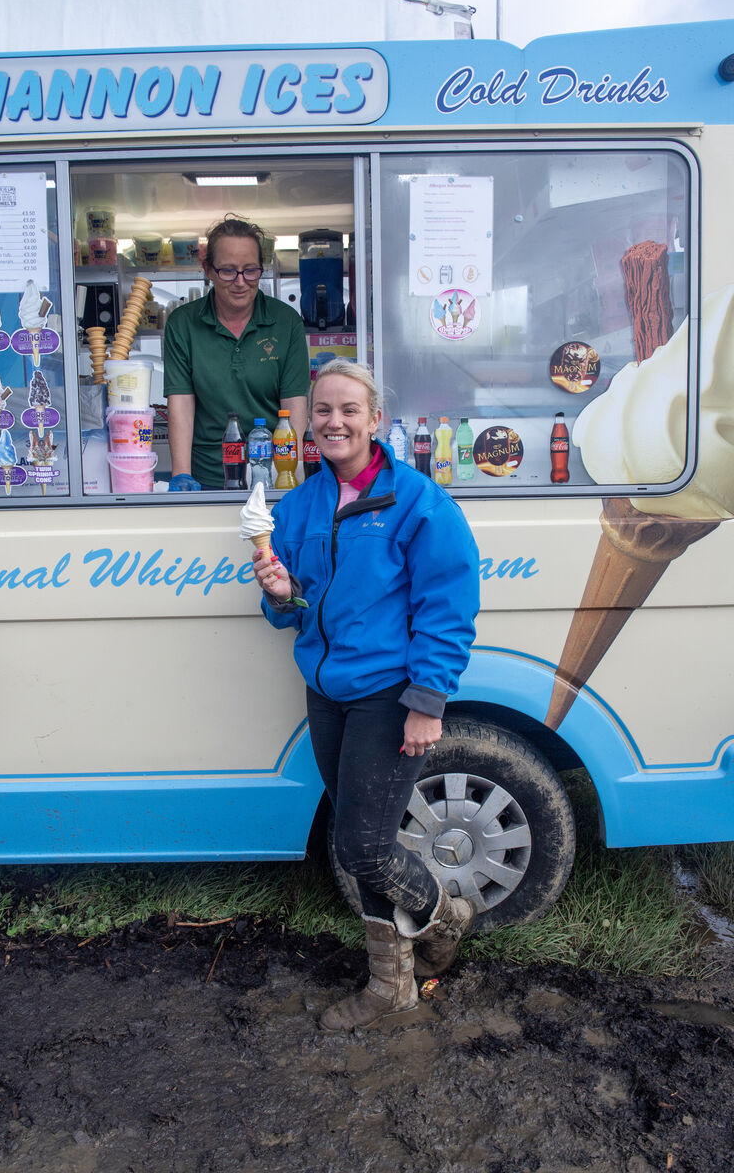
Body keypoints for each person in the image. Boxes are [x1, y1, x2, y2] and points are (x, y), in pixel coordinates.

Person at [252, 359, 480, 1032]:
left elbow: (448, 604)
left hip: (388, 694)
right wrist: (278, 595)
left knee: (363, 847)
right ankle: (396, 983)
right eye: (323, 410)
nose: (335, 422)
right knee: (364, 839)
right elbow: (296, 608)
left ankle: (443, 918)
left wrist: (426, 700)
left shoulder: (415, 502)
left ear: (375, 420)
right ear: (309, 420)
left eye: (349, 410)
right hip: (326, 694)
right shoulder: (298, 507)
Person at [164, 215, 309, 490]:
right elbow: (181, 405)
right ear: (208, 269)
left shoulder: (286, 322)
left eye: (250, 270)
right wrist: (181, 475)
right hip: (206, 478)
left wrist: (294, 479)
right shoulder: (182, 324)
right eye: (228, 271)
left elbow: (294, 408)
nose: (241, 282)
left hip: (272, 477)